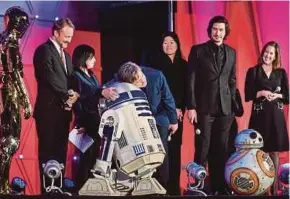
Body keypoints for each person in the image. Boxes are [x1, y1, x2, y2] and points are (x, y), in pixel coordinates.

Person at [186, 15, 236, 195]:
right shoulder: (198, 50)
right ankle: (197, 188)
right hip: (203, 109)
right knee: (202, 148)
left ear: (225, 32)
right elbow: (190, 80)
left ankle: (218, 188)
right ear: (210, 30)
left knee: (221, 150)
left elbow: (231, 81)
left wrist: (233, 105)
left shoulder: (231, 53)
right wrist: (191, 107)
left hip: (225, 110)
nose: (217, 32)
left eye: (221, 29)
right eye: (215, 29)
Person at [113, 61, 178, 192]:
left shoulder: (157, 76)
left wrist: (173, 121)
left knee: (161, 152)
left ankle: (162, 187)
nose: (142, 82)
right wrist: (103, 91)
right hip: (138, 119)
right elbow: (107, 86)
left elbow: (168, 98)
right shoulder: (121, 80)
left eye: (141, 77)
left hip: (159, 117)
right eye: (137, 82)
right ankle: (138, 186)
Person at [33, 18, 79, 193]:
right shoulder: (43, 51)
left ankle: (57, 191)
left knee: (60, 154)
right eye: (66, 36)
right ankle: (47, 192)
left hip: (63, 112)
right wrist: (66, 96)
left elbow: (72, 79)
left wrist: (75, 94)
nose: (69, 40)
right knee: (47, 153)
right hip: (48, 111)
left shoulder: (66, 56)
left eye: (71, 36)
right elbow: (49, 77)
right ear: (55, 33)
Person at [70, 44, 118, 191]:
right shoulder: (75, 76)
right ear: (84, 58)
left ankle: (92, 188)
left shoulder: (92, 75)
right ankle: (82, 188)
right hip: (85, 122)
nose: (95, 60)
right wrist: (80, 123)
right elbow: (78, 101)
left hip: (96, 121)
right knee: (85, 158)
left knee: (95, 157)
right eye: (92, 57)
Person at [245, 41, 289, 195]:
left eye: (271, 53)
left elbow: (287, 96)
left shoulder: (281, 73)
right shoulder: (253, 71)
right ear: (262, 52)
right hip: (260, 117)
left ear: (275, 56)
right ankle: (262, 188)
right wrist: (262, 93)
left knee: (274, 152)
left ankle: (275, 188)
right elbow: (248, 94)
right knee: (260, 152)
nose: (268, 55)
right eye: (266, 52)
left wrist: (277, 95)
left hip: (276, 117)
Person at [151, 31, 187, 195]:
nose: (169, 45)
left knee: (175, 149)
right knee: (161, 149)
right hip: (161, 113)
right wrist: (171, 109)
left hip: (178, 113)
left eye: (172, 42)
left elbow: (187, 90)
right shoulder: (155, 64)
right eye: (165, 42)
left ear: (177, 44)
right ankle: (160, 186)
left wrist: (180, 108)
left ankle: (174, 187)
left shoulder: (184, 65)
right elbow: (156, 92)